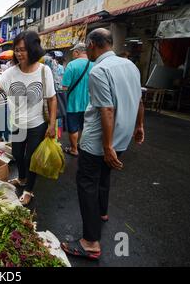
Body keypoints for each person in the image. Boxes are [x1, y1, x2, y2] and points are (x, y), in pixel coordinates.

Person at [61, 29, 145, 260]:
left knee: (87, 183)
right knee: (104, 175)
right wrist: (139, 127)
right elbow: (139, 99)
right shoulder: (130, 66)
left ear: (91, 44)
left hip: (99, 141)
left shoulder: (100, 70)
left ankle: (90, 242)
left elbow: (106, 109)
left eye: (86, 45)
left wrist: (106, 146)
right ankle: (103, 212)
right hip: (122, 137)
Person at [0, 31, 57, 206]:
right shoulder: (11, 72)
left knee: (31, 158)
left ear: (33, 49)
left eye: (23, 49)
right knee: (17, 154)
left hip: (37, 125)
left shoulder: (44, 71)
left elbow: (52, 99)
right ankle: (22, 179)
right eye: (16, 50)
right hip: (17, 123)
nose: (19, 53)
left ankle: (29, 190)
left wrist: (52, 124)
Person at [62, 43, 94, 157]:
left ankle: (74, 149)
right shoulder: (94, 64)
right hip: (90, 104)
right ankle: (81, 145)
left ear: (77, 52)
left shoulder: (72, 65)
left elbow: (64, 87)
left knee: (73, 128)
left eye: (73, 52)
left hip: (73, 103)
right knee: (84, 126)